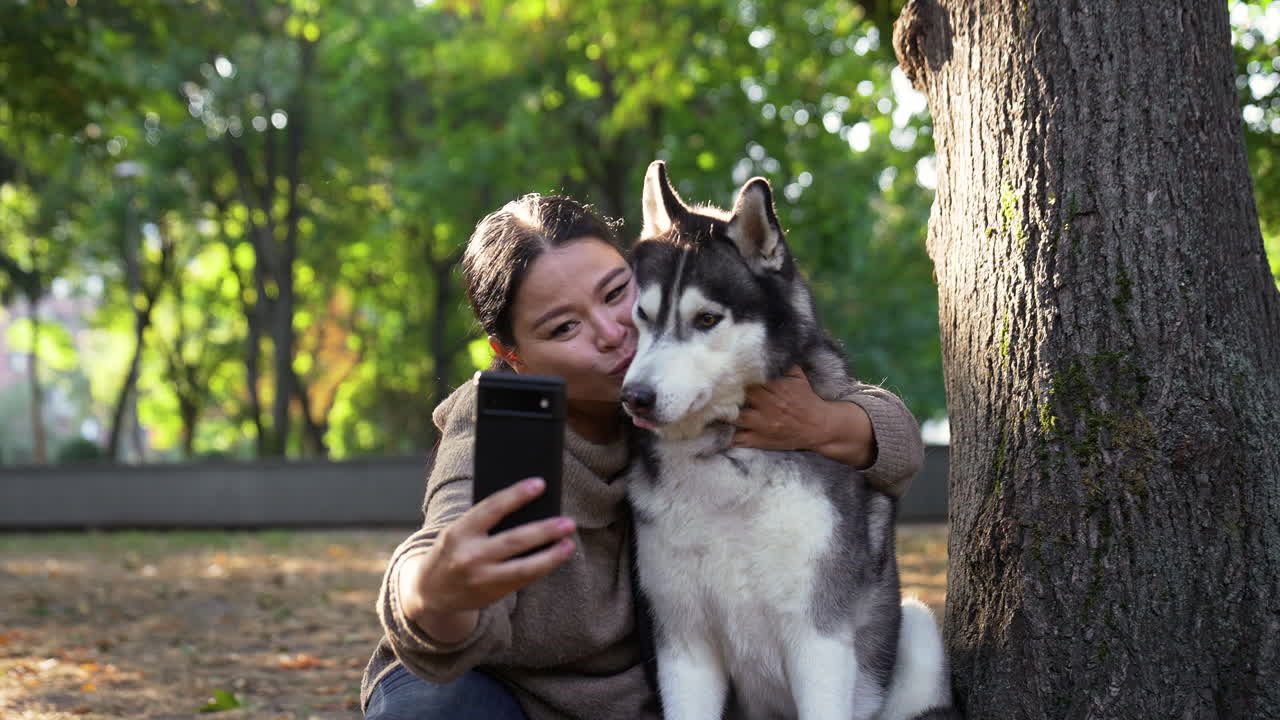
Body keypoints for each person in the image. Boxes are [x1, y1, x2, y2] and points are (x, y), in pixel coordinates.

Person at [360, 194, 924, 720]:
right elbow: (443, 540)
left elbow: (893, 435)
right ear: (514, 356)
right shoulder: (496, 429)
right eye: (564, 327)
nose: (611, 334)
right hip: (500, 690)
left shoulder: (690, 389)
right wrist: (431, 589)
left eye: (615, 294)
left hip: (634, 701)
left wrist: (825, 422)